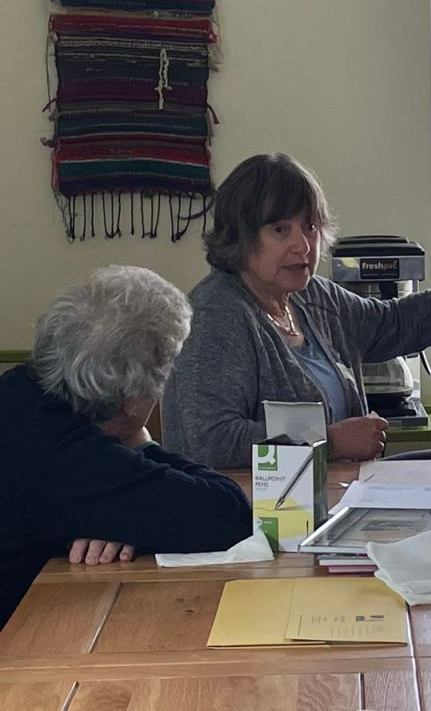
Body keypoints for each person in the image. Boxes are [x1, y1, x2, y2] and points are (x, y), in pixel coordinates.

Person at [163, 153, 431, 468]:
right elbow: (210, 443)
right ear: (241, 236)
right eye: (280, 230)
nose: (303, 245)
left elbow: (394, 323)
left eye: (310, 227)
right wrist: (329, 442)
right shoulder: (216, 316)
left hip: (335, 492)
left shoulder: (313, 297)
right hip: (258, 515)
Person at [0, 266, 253, 629]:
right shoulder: (76, 460)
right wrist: (141, 445)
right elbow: (229, 515)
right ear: (134, 402)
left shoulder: (18, 389)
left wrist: (122, 520)